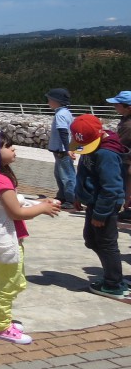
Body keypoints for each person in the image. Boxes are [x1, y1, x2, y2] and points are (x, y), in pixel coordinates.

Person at [0, 130, 61, 344]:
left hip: (0, 238)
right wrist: (41, 209)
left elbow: (14, 202)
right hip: (5, 241)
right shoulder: (2, 181)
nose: (14, 149)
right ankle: (1, 327)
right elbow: (15, 212)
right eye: (8, 146)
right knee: (8, 284)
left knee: (10, 281)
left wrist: (39, 203)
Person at [70, 114, 129, 298]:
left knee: (107, 244)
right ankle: (112, 274)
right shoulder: (92, 148)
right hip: (93, 203)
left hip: (105, 206)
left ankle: (114, 283)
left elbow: (111, 188)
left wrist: (100, 214)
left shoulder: (106, 154)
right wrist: (79, 194)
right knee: (91, 239)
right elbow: (84, 170)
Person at [46, 88, 77, 208]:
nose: (48, 103)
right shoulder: (66, 112)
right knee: (59, 173)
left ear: (56, 101)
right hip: (61, 150)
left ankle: (71, 199)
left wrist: (68, 148)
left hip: (62, 150)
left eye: (49, 100)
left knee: (66, 175)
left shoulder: (60, 114)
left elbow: (63, 131)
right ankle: (62, 195)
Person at [105, 90, 131, 220]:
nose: (114, 107)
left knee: (125, 185)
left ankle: (126, 208)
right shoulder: (125, 120)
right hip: (125, 159)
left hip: (127, 160)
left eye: (117, 104)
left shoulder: (129, 125)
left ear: (128, 107)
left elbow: (121, 144)